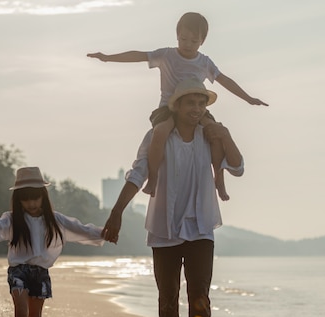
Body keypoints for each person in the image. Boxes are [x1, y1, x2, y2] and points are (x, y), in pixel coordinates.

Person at [102, 79, 244, 317]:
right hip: (164, 228)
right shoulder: (159, 137)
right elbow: (138, 172)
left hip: (201, 228)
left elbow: (238, 166)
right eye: (190, 103)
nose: (196, 109)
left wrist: (227, 135)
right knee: (167, 297)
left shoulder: (210, 136)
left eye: (201, 103)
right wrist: (117, 212)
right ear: (176, 106)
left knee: (200, 297)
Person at [88, 11, 265, 201]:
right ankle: (153, 177)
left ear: (202, 41)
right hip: (167, 108)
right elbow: (139, 55)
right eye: (183, 39)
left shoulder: (204, 62)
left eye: (193, 41)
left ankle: (219, 179)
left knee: (215, 133)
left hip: (195, 108)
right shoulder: (166, 55)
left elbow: (225, 80)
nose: (188, 45)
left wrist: (248, 98)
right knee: (160, 132)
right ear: (177, 36)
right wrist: (107, 57)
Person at [0, 167, 106, 317]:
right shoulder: (12, 219)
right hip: (18, 270)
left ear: (43, 196)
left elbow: (80, 229)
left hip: (41, 273)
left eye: (36, 198)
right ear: (19, 199)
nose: (31, 203)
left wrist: (103, 233)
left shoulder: (55, 220)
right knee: (21, 311)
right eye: (26, 199)